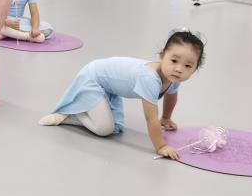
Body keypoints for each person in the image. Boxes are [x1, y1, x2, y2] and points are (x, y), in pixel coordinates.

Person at [39, 30, 205, 159]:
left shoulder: (172, 77)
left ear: (195, 69)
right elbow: (150, 118)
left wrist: (166, 118)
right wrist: (161, 146)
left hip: (109, 88)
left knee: (115, 128)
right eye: (174, 61)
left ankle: (84, 110)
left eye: (188, 66)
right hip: (93, 78)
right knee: (105, 129)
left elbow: (171, 96)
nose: (179, 69)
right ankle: (71, 114)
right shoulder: (150, 78)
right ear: (162, 56)